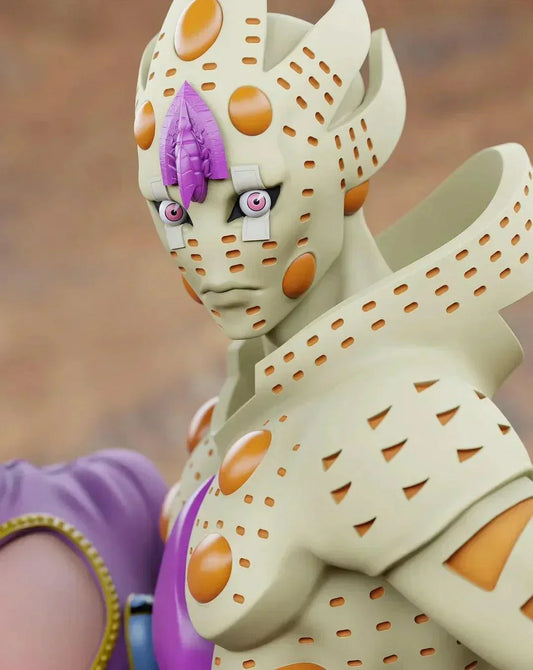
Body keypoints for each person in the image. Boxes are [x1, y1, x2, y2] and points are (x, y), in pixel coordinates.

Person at [134, 0, 533, 668]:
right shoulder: (245, 404)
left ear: (345, 169)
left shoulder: (400, 418)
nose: (210, 261)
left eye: (253, 201)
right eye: (174, 212)